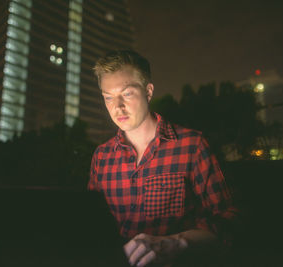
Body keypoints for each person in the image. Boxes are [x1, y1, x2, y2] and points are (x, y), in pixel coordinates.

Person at [88, 50, 238, 267]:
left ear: (148, 92)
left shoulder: (192, 145)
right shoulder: (101, 157)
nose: (117, 106)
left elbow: (230, 217)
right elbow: (92, 224)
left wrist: (176, 243)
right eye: (108, 97)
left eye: (127, 94)